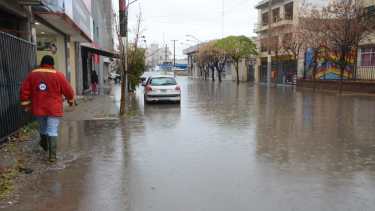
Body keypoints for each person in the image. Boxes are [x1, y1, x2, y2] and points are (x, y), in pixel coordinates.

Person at [20, 55, 75, 162]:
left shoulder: (32, 74)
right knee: (52, 130)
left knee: (42, 128)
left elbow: (24, 90)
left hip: (38, 108)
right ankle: (52, 157)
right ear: (52, 64)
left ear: (42, 63)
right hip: (54, 109)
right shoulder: (58, 75)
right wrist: (70, 99)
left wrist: (25, 104)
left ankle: (45, 147)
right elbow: (67, 89)